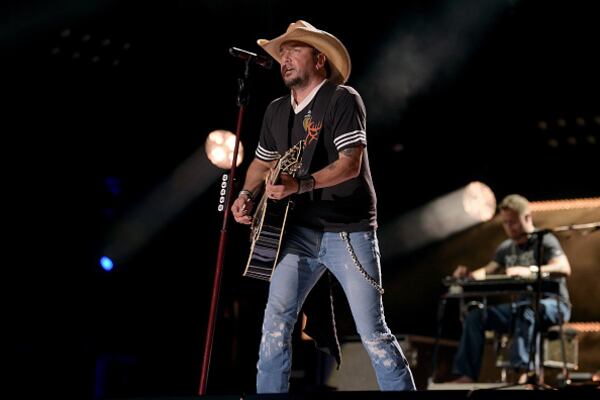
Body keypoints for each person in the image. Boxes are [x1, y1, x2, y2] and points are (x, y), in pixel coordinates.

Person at [231, 20, 416, 393]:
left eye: (294, 50)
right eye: (282, 52)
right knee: (275, 326)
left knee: (373, 333)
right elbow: (261, 163)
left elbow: (350, 165)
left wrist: (299, 184)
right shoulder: (276, 111)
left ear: (319, 59)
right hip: (296, 232)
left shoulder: (343, 99)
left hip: (348, 231)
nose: (284, 58)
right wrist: (246, 195)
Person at [450, 194, 572, 383]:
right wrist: (468, 274)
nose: (509, 227)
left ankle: (524, 374)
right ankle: (466, 375)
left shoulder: (544, 240)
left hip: (554, 306)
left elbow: (564, 268)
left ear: (527, 218)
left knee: (526, 310)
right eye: (505, 223)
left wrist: (529, 271)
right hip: (523, 306)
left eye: (513, 222)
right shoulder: (506, 247)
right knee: (476, 316)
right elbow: (488, 271)